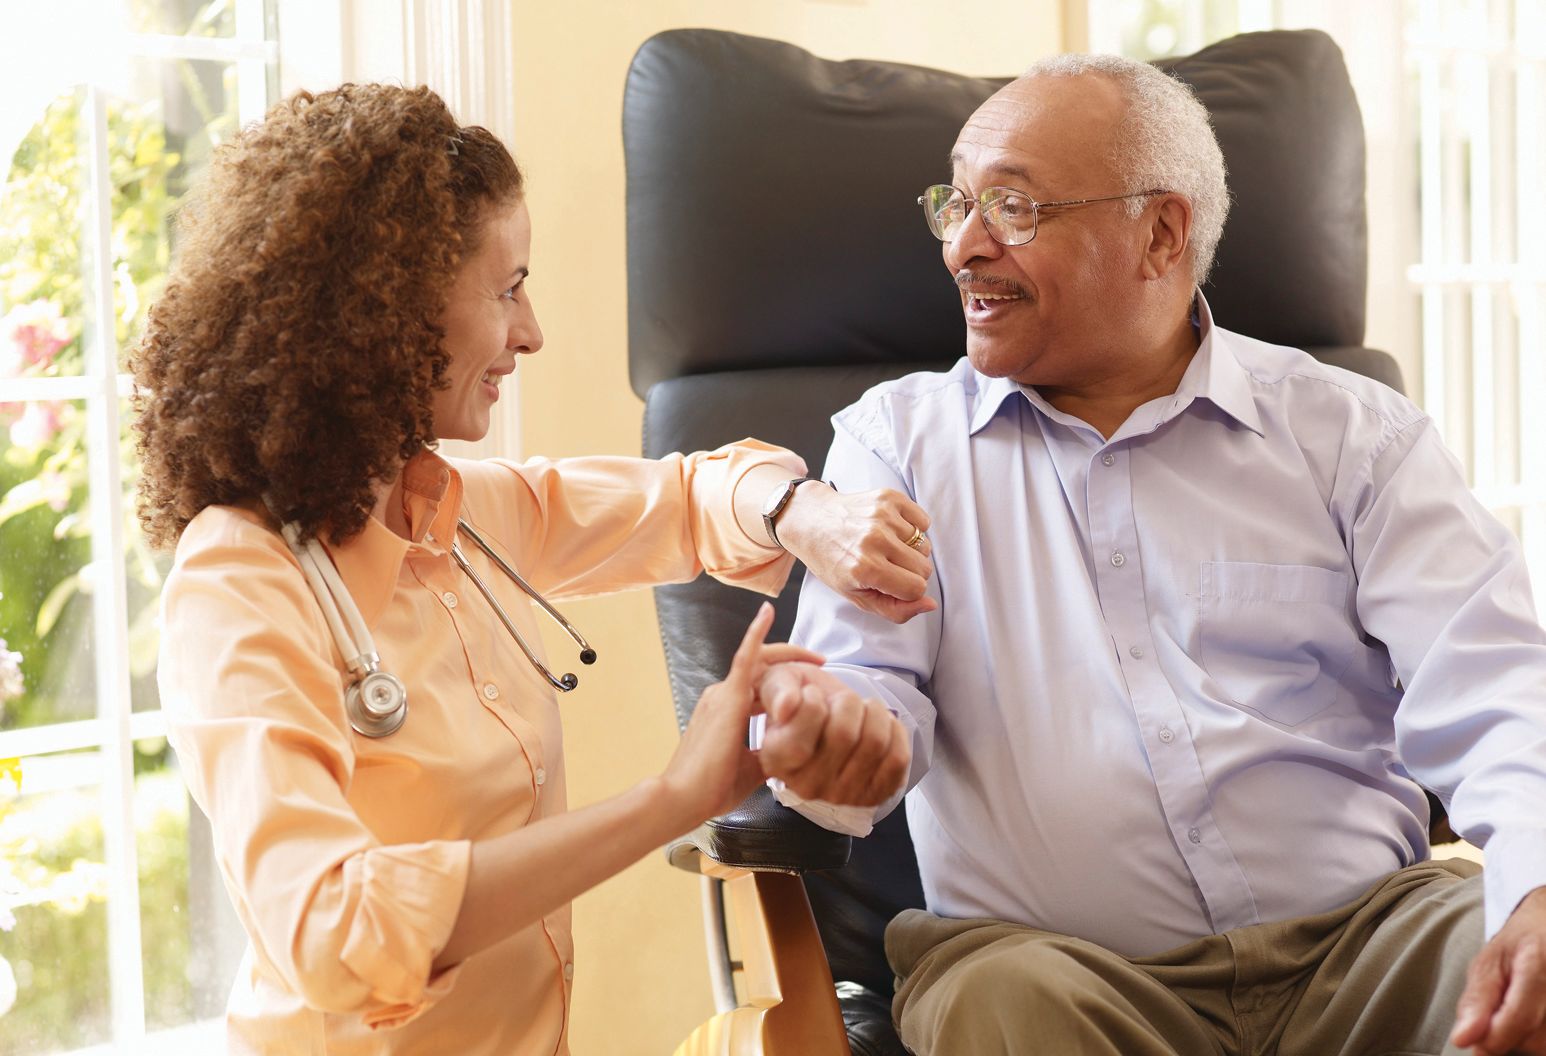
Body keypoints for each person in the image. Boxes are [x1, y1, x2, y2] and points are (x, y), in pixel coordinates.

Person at [751, 52, 1546, 1056]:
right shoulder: (897, 444)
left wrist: (1537, 886)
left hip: (1365, 950)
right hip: (1056, 973)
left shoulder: (1350, 435)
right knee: (1000, 1005)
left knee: (1513, 953)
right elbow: (868, 684)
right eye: (955, 204)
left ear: (1160, 233)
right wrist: (837, 739)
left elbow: (1498, 687)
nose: (962, 246)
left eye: (1011, 206)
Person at [132, 83, 913, 1054]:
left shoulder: (457, 512)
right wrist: (672, 799)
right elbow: (335, 932)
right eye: (507, 291)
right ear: (394, 305)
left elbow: (686, 498)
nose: (531, 332)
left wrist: (809, 512)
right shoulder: (239, 583)